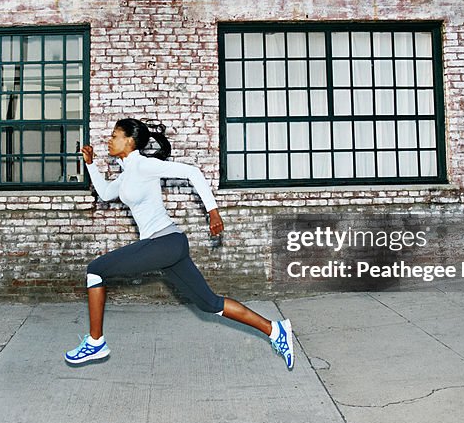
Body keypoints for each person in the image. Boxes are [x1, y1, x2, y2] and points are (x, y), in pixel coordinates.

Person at [64, 118, 294, 370]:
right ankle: (275, 330)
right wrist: (90, 165)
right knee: (211, 304)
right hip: (169, 247)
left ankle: (96, 342)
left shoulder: (144, 166)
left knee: (96, 270)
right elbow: (107, 194)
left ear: (129, 141)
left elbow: (192, 173)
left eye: (115, 135)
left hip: (163, 243)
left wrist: (213, 211)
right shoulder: (128, 172)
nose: (109, 139)